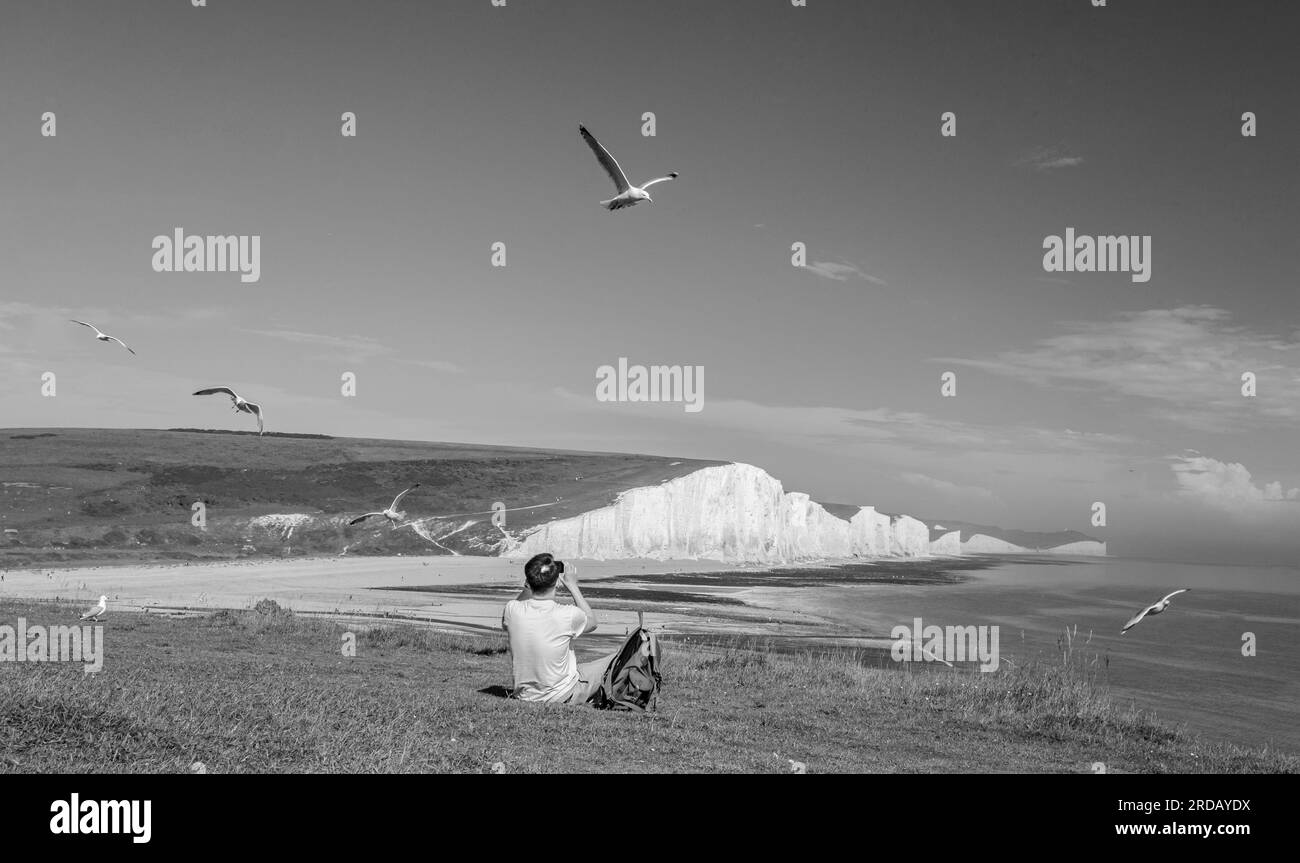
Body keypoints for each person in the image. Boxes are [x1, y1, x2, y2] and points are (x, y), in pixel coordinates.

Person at [500, 552, 617, 705]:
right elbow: (592, 623)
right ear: (557, 583)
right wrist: (573, 586)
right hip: (561, 694)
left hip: (525, 696)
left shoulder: (512, 609)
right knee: (618, 656)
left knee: (580, 668)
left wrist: (531, 583)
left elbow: (505, 623)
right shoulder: (567, 614)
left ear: (528, 581)